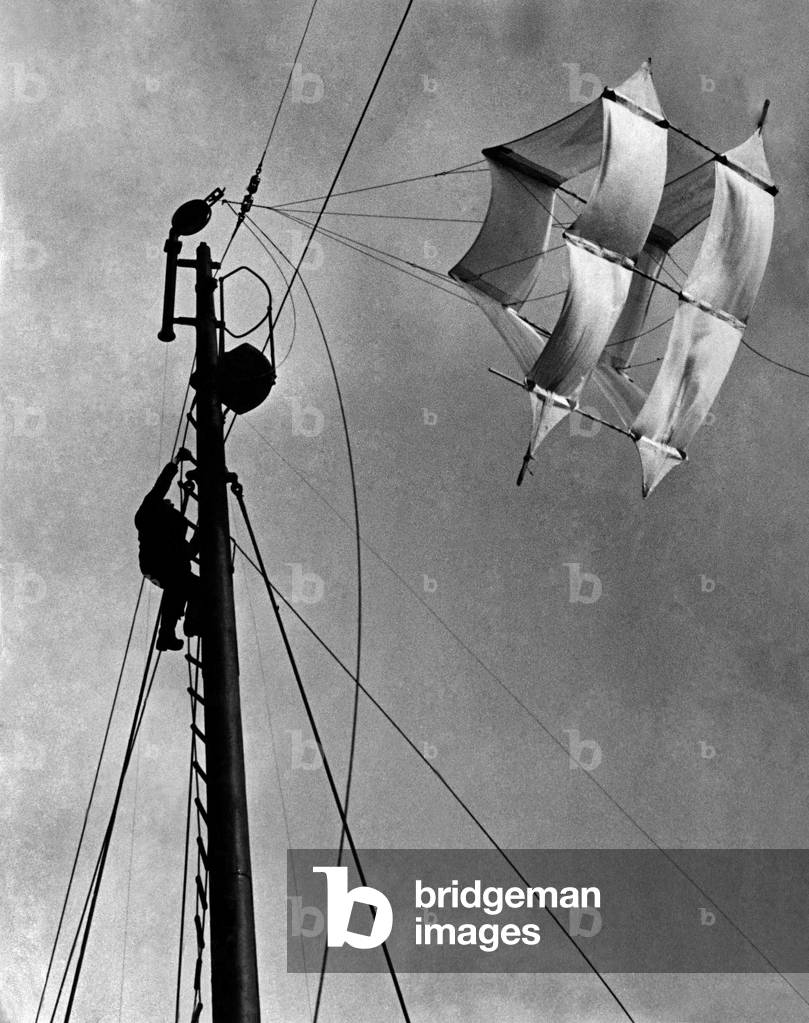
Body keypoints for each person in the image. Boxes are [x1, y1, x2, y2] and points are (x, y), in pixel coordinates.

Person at [135, 448, 199, 651]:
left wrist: (202, 531)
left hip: (166, 565)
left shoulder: (174, 531)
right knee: (180, 581)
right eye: (168, 504)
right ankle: (178, 628)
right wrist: (176, 461)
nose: (171, 504)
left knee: (194, 586)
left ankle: (177, 629)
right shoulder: (149, 513)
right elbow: (161, 485)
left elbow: (189, 552)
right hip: (156, 563)